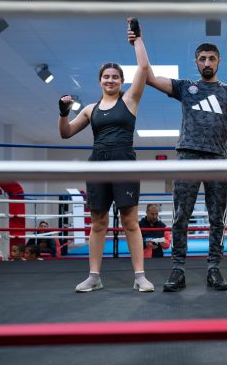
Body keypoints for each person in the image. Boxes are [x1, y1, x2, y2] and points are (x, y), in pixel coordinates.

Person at [146, 42, 227, 292]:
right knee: (181, 216)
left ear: (218, 61)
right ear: (196, 62)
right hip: (187, 157)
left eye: (211, 58)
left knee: (218, 218)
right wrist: (139, 42)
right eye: (202, 58)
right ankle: (178, 270)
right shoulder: (185, 87)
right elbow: (149, 77)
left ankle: (214, 268)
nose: (207, 63)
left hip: (217, 159)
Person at [59, 18, 154, 293]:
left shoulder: (130, 100)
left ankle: (139, 276)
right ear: (100, 80)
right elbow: (65, 133)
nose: (110, 80)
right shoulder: (90, 108)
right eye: (106, 77)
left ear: (122, 81)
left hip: (124, 162)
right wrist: (63, 113)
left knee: (130, 221)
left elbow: (144, 68)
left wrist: (137, 40)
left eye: (115, 77)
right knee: (98, 222)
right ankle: (94, 277)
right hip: (98, 164)